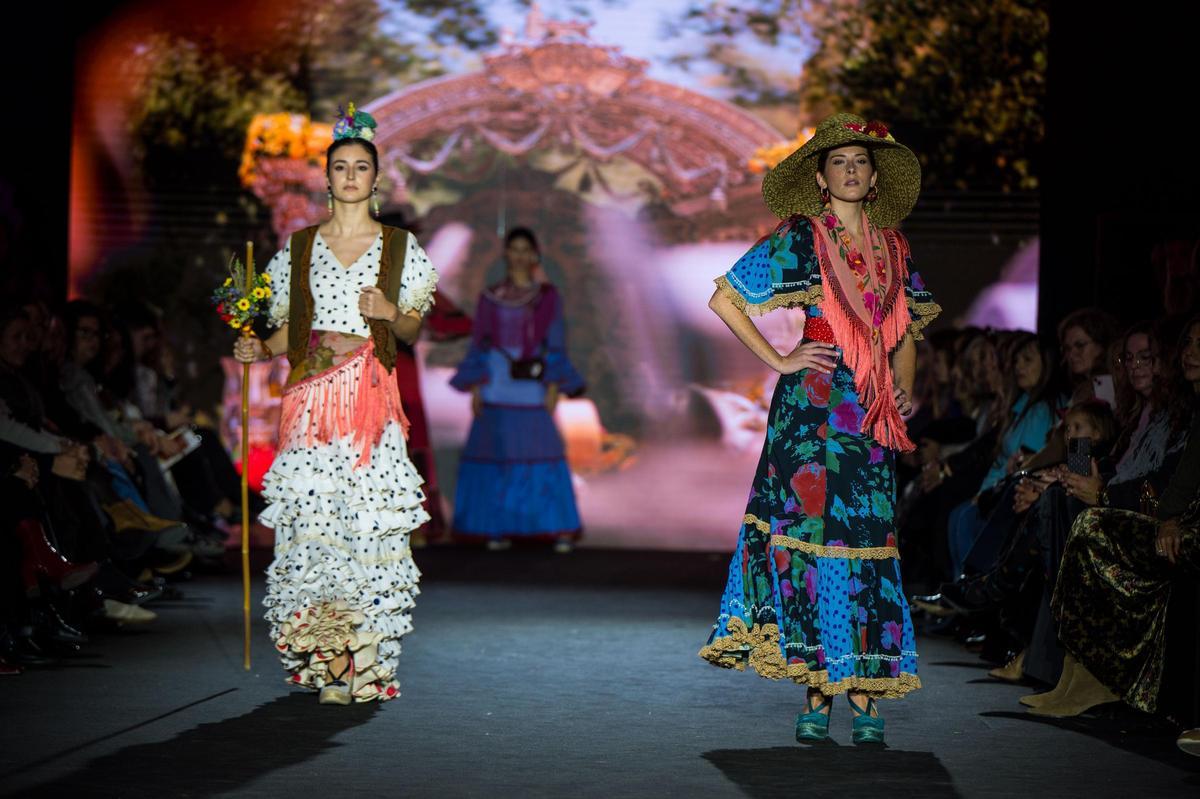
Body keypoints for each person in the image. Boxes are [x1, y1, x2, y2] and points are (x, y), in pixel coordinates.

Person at [698, 114, 940, 745]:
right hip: (811, 418)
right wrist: (780, 359)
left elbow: (907, 329)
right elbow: (727, 297)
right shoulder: (803, 238)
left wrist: (904, 383)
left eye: (861, 160)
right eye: (840, 161)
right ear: (821, 176)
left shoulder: (895, 247)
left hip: (870, 415)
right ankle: (820, 691)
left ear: (875, 175)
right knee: (812, 543)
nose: (852, 170)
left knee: (864, 544)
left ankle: (861, 691)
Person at [233, 105, 438, 704]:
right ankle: (326, 660)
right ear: (327, 178)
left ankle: (367, 663)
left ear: (376, 180)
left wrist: (388, 313)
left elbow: (413, 332)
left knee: (369, 527)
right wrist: (258, 348)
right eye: (341, 167)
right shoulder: (297, 250)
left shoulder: (400, 248)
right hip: (311, 403)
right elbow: (286, 333)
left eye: (361, 167)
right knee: (315, 531)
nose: (350, 175)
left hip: (371, 402)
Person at [449, 227, 585, 554]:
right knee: (498, 453)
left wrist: (554, 385)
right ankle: (496, 528)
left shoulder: (547, 297)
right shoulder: (489, 296)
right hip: (496, 381)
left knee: (542, 451)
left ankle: (554, 528)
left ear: (536, 255)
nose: (520, 255)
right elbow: (480, 343)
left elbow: (555, 343)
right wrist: (477, 388)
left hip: (532, 383)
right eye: (515, 249)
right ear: (506, 254)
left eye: (527, 249)